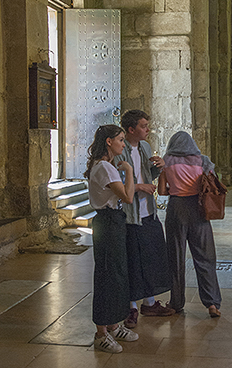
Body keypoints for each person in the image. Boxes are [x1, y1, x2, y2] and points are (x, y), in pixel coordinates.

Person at [114, 110, 174, 328]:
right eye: (143, 126)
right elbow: (117, 183)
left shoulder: (146, 147)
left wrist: (157, 168)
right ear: (131, 129)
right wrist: (139, 187)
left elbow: (147, 175)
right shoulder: (119, 150)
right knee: (132, 262)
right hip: (130, 215)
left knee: (152, 258)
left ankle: (149, 302)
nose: (148, 129)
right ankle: (131, 307)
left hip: (148, 212)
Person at [84, 124, 139, 353]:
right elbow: (127, 196)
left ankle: (114, 326)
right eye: (120, 140)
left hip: (113, 222)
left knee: (117, 274)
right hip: (107, 222)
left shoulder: (106, 166)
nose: (123, 144)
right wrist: (129, 171)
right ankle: (101, 333)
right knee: (107, 276)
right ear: (109, 141)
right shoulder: (105, 167)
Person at [158, 131, 222, 318]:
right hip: (199, 210)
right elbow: (211, 183)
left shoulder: (167, 161)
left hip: (176, 209)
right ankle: (212, 303)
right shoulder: (202, 161)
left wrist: (176, 189)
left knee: (175, 257)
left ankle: (176, 303)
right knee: (205, 257)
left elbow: (162, 191)